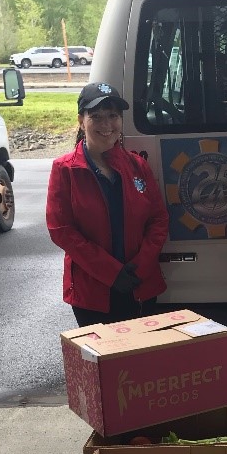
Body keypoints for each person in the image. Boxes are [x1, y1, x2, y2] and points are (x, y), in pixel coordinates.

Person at [46, 82, 169, 327]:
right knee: (105, 364)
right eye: (97, 117)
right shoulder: (65, 169)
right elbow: (61, 231)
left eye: (113, 116)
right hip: (93, 291)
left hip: (140, 284)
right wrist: (111, 273)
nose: (107, 125)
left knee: (144, 361)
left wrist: (140, 267)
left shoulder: (137, 165)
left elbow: (158, 219)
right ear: (81, 120)